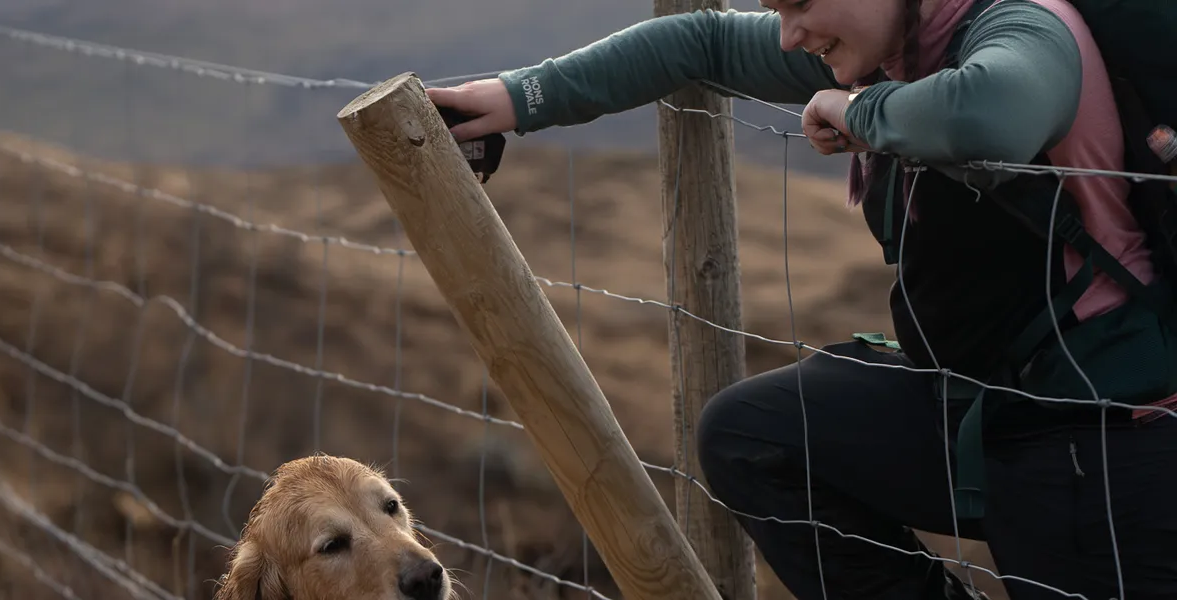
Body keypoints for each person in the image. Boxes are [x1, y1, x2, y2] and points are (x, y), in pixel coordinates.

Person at [426, 0, 1177, 598]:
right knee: (753, 434)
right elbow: (701, 44)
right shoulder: (895, 44)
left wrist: (860, 110)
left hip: (1104, 433)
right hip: (985, 406)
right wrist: (516, 96)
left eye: (800, 4)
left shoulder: (1028, 26)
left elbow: (991, 114)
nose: (789, 38)